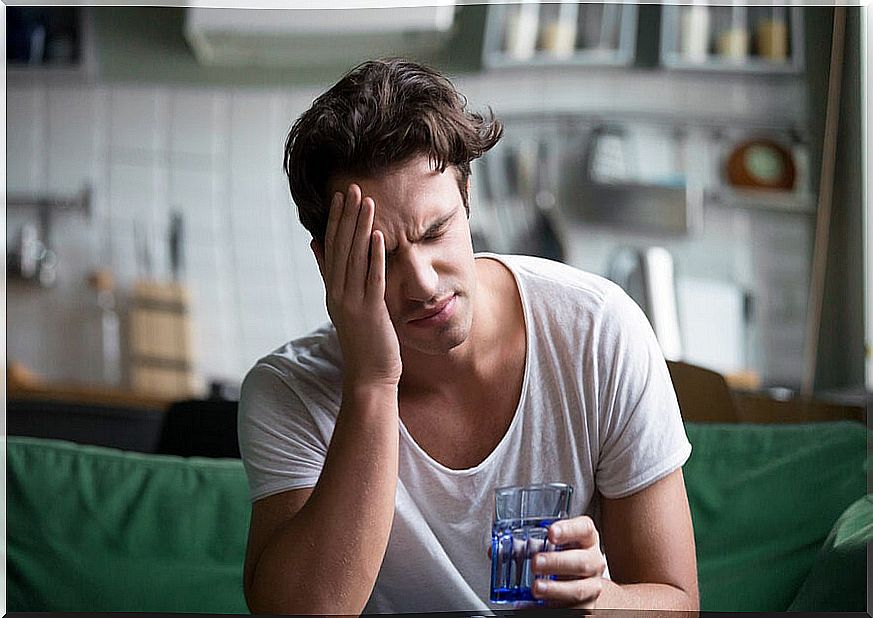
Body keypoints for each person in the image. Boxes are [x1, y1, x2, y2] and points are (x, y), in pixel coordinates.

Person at [238, 58, 698, 615]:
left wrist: (600, 602)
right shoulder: (287, 392)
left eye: (437, 231)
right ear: (328, 261)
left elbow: (679, 603)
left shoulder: (599, 331)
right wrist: (372, 381)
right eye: (381, 256)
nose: (425, 283)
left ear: (467, 198)